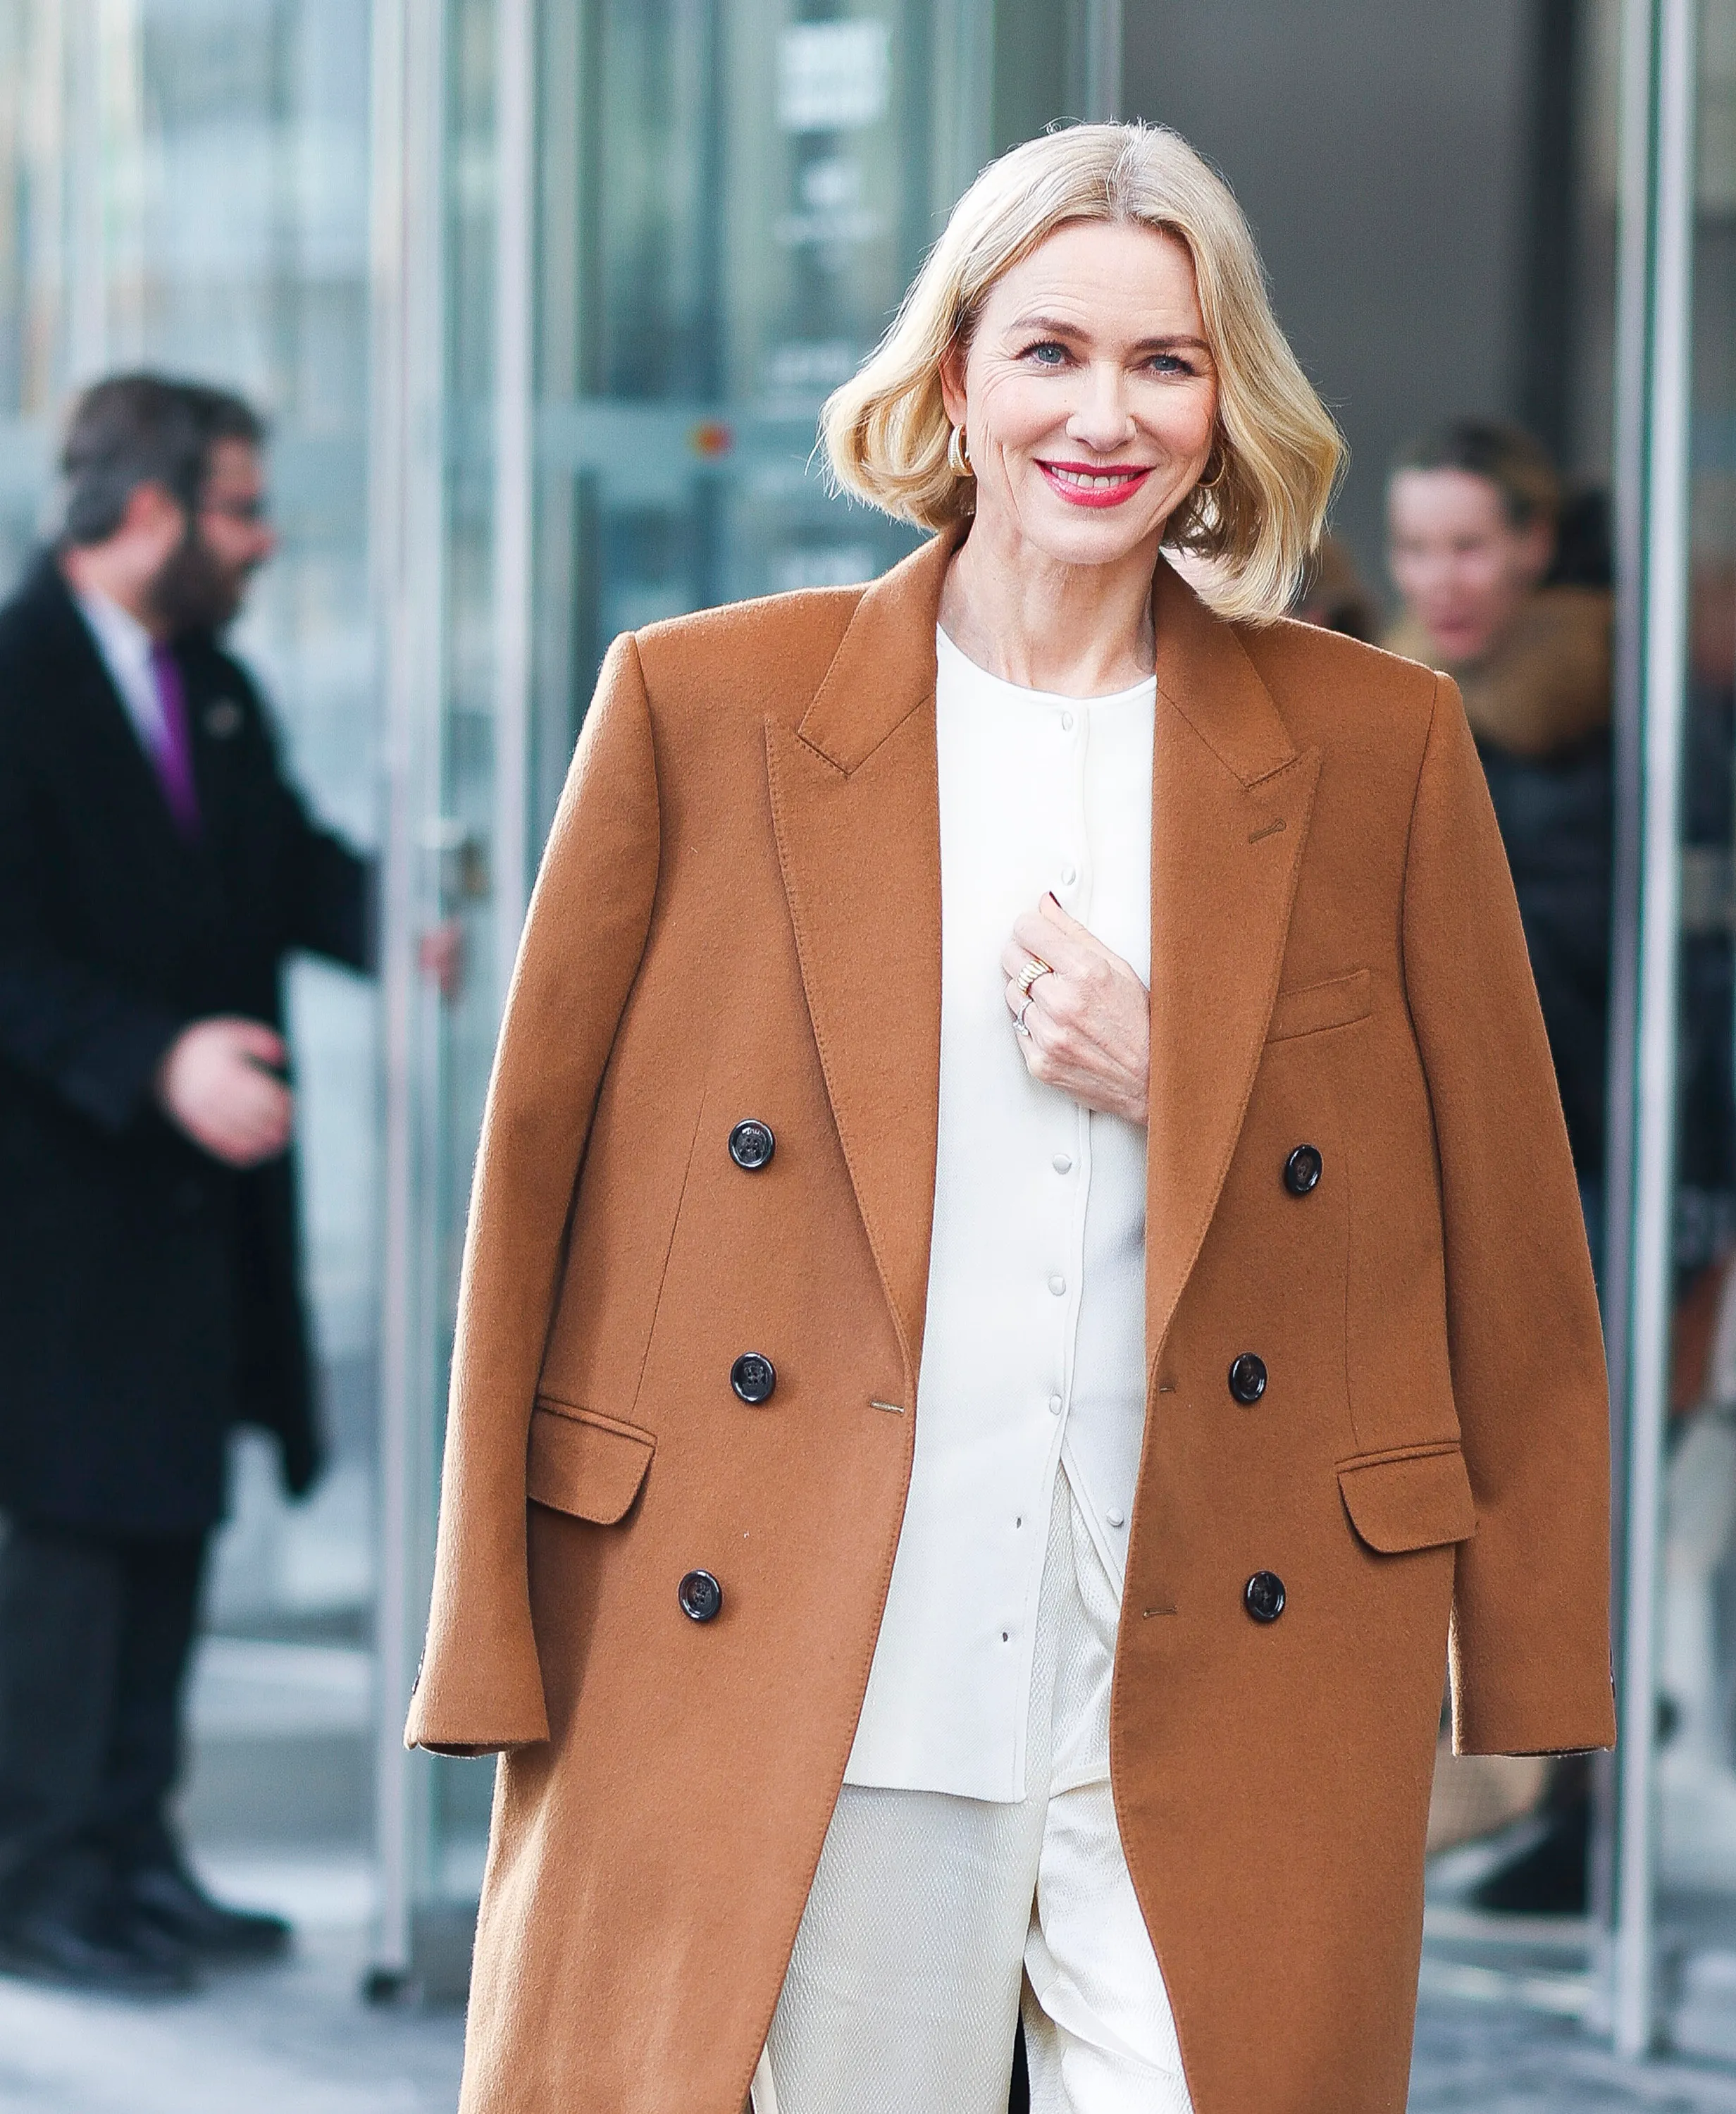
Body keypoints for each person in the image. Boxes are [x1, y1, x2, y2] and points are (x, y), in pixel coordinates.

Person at [409, 123, 1613, 2114]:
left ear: (1229, 407)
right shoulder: (701, 710)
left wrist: (1188, 1072)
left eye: (1169, 361)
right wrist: (488, 1635)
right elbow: (530, 1191)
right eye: (1052, 351)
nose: (1106, 415)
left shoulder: (1375, 743)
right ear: (954, 374)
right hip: (827, 1656)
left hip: (1239, 1651)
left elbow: (1496, 1213)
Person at [0, 375, 373, 1991]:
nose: (262, 537)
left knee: (170, 1523)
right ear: (142, 512)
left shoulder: (205, 682)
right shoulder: (13, 685)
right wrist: (155, 1061)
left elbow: (288, 867)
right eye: (236, 506)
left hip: (195, 1218)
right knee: (77, 1548)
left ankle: (136, 1853)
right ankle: (39, 1876)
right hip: (62, 1209)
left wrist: (429, 920)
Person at [1385, 419, 1617, 1917]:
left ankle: (1578, 1809)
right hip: (1441, 1186)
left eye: (1473, 544)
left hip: (1585, 1175)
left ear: (1536, 546)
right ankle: (1529, 1798)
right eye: (1417, 547)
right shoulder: (1397, 700)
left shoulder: (1590, 718)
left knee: (1558, 1506)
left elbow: (1585, 980)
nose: (1444, 578)